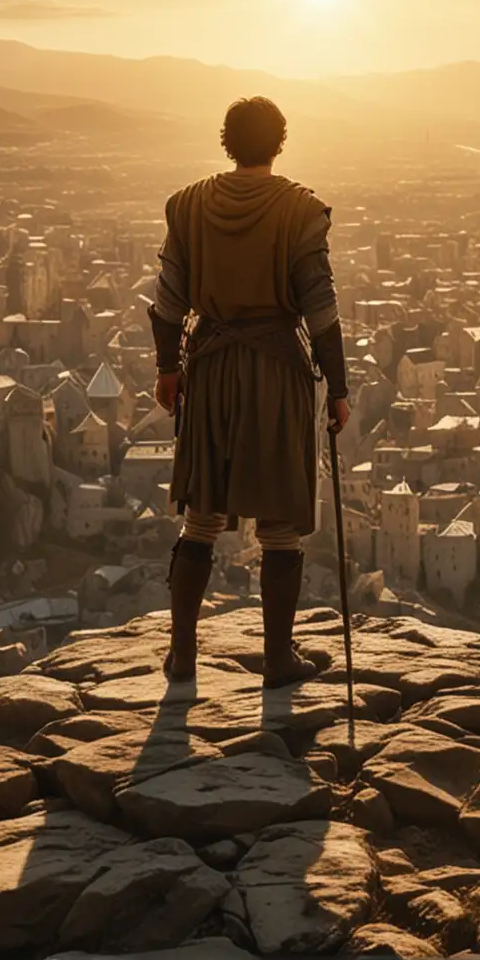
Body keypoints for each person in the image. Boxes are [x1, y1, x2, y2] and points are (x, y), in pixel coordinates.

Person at [149, 96, 350, 686]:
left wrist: (168, 368)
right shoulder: (300, 211)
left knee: (201, 518)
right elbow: (321, 310)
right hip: (276, 373)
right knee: (280, 520)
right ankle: (277, 659)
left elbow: (166, 304)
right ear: (280, 142)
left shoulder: (187, 206)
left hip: (209, 367)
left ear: (226, 140)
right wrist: (338, 388)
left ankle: (183, 657)